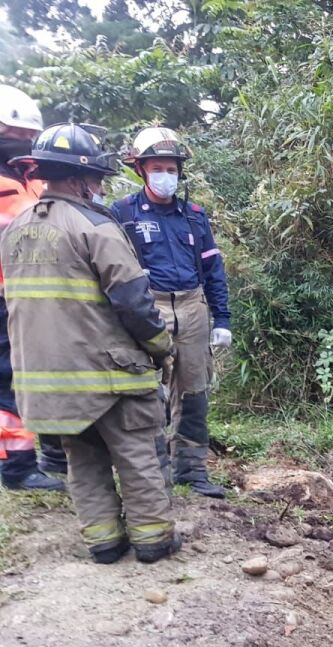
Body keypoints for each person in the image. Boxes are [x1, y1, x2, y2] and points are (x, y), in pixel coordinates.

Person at [1, 123, 178, 564]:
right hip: (107, 374)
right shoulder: (94, 225)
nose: (99, 188)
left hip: (47, 381)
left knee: (83, 462)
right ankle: (153, 540)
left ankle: (104, 542)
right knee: (137, 455)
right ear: (81, 179)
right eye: (97, 179)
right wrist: (160, 346)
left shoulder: (16, 229)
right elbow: (133, 300)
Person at [111, 127, 229, 498]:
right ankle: (151, 472)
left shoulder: (194, 216)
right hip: (148, 307)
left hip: (193, 307)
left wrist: (222, 320)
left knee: (194, 392)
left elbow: (213, 269)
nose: (167, 175)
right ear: (142, 169)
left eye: (172, 168)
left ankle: (191, 470)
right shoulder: (123, 214)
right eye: (158, 167)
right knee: (148, 393)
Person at [0, 85, 67, 491]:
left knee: (42, 372)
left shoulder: (31, 181)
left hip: (37, 295)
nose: (23, 144)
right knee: (9, 379)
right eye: (15, 135)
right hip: (4, 297)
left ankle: (49, 454)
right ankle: (17, 467)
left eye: (29, 137)